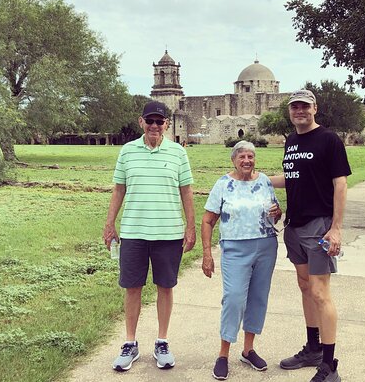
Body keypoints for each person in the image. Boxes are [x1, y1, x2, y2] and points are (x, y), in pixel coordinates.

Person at [103, 100, 196, 373]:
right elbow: (119, 189)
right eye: (150, 121)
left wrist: (190, 227)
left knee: (165, 287)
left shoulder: (178, 153)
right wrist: (110, 224)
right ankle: (130, 343)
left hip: (168, 232)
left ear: (167, 124)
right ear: (141, 122)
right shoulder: (128, 151)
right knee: (132, 287)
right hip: (134, 232)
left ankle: (162, 342)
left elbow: (186, 192)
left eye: (160, 121)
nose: (155, 126)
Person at [270, 89, 351, 382]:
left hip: (319, 226)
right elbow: (290, 178)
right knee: (305, 286)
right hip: (295, 226)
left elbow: (340, 184)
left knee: (319, 291)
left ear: (315, 108)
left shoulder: (328, 140)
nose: (300, 111)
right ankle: (313, 347)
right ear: (290, 112)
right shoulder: (291, 141)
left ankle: (329, 366)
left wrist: (336, 227)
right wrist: (256, 179)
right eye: (295, 107)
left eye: (305, 106)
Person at [201, 140, 282, 380]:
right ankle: (223, 354)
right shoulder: (223, 184)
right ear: (234, 160)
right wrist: (207, 254)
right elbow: (207, 221)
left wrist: (278, 214)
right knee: (234, 298)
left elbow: (274, 214)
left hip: (266, 245)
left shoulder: (264, 181)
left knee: (258, 298)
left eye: (251, 157)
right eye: (242, 157)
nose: (247, 161)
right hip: (235, 248)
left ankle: (248, 349)